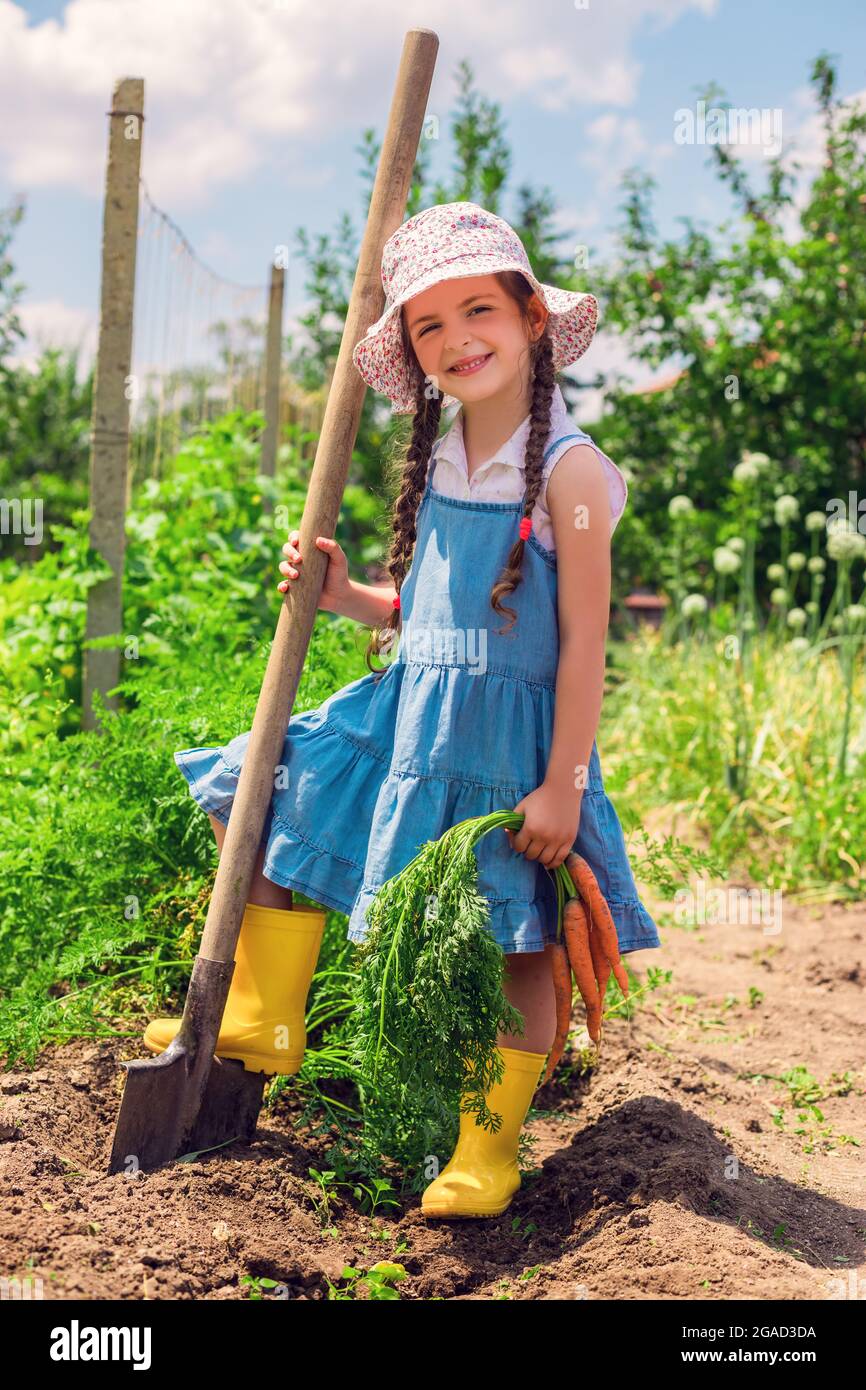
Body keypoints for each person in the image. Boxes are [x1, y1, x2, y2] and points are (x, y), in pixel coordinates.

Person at [144, 201, 662, 1219]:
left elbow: (586, 644)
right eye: (427, 325)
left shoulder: (571, 471)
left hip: (507, 749)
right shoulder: (437, 459)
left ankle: (486, 1149)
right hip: (405, 720)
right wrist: (345, 598)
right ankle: (263, 1016)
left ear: (525, 319)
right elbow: (422, 611)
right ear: (412, 354)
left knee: (512, 940)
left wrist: (560, 784)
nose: (456, 339)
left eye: (477, 311)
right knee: (259, 786)